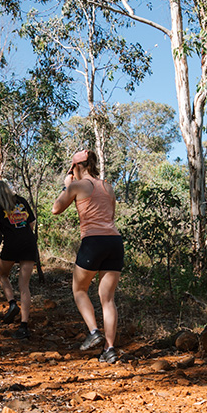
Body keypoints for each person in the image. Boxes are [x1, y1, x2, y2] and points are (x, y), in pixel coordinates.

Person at [51, 149, 124, 364]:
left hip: (93, 241)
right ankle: (110, 349)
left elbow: (56, 209)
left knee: (79, 289)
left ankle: (93, 332)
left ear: (76, 167)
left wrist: (67, 186)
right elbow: (110, 214)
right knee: (108, 299)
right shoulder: (107, 186)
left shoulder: (76, 185)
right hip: (114, 241)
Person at [0, 180, 38, 340]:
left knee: (3, 275)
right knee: (24, 286)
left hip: (11, 244)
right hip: (29, 243)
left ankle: (12, 303)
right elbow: (31, 223)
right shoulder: (21, 200)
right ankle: (24, 326)